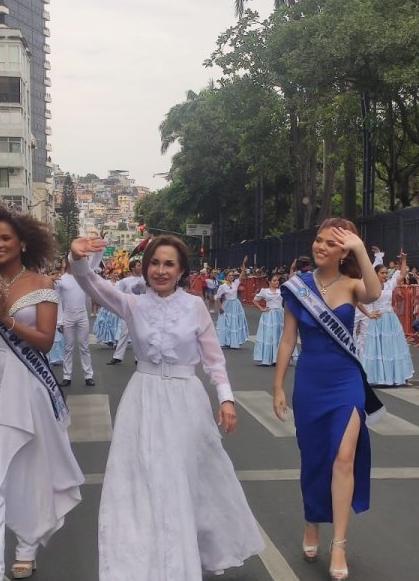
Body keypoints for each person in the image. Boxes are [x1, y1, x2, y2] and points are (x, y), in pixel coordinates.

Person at [70, 234, 263, 579]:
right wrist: (78, 257)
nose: (160, 270)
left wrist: (226, 398)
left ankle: (180, 562)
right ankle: (142, 560)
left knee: (181, 479)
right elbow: (89, 282)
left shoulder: (195, 306)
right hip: (141, 399)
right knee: (140, 480)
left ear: (182, 270)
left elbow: (213, 359)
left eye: (169, 264)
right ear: (146, 268)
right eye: (155, 263)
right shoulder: (131, 304)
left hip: (185, 399)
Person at [0, 200, 84, 581]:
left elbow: (46, 343)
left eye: (6, 238)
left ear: (23, 242)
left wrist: (4, 317)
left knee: (26, 466)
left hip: (28, 381)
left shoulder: (43, 284)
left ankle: (27, 546)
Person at [272, 219, 383, 581]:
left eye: (329, 243)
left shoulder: (353, 285)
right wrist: (277, 387)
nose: (320, 247)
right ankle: (311, 522)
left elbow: (375, 292)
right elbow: (288, 340)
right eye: (318, 241)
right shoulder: (297, 288)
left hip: (346, 380)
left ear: (343, 251)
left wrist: (362, 249)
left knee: (344, 457)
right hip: (310, 381)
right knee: (314, 458)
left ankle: (339, 543)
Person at [359, 254, 415, 386]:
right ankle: (378, 378)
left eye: (385, 273)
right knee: (378, 349)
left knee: (395, 347)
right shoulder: (370, 287)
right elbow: (357, 301)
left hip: (390, 319)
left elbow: (402, 274)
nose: (385, 275)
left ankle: (400, 377)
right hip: (377, 319)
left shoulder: (390, 284)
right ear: (376, 274)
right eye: (382, 273)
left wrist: (403, 259)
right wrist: (368, 314)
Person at [55, 259, 93, 386]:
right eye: (71, 261)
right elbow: (58, 301)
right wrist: (59, 321)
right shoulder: (61, 279)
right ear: (66, 263)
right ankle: (67, 376)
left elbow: (94, 262)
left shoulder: (82, 278)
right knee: (68, 348)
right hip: (68, 315)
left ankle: (88, 376)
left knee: (84, 347)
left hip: (82, 314)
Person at [107, 259, 147, 365]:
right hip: (128, 309)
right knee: (124, 333)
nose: (140, 267)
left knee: (140, 334)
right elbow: (119, 295)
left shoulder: (145, 279)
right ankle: (117, 356)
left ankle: (139, 357)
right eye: (138, 265)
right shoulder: (125, 281)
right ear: (133, 268)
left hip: (141, 310)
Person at [214, 257, 249, 348]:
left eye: (232, 275)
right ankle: (225, 341)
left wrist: (243, 263)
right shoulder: (223, 286)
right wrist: (220, 307)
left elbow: (242, 274)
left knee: (234, 323)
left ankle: (234, 342)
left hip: (236, 305)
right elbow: (218, 298)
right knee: (226, 323)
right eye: (229, 275)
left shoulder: (235, 283)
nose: (231, 277)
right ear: (226, 277)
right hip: (227, 305)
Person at [252, 275, 286, 366]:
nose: (276, 282)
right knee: (269, 336)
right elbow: (255, 300)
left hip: (280, 314)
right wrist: (261, 308)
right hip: (269, 315)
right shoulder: (264, 291)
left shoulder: (281, 290)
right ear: (269, 282)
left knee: (279, 335)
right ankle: (268, 358)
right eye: (274, 280)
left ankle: (279, 358)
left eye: (277, 280)